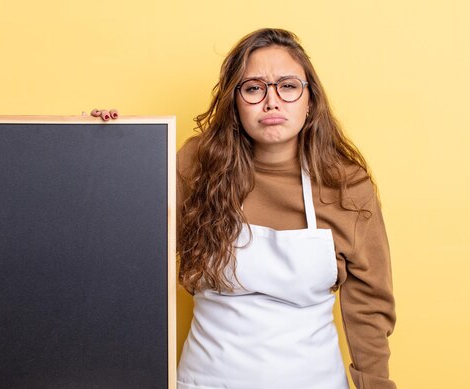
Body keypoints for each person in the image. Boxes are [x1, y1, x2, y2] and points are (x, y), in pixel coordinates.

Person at [96, 27, 396, 389]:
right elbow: (124, 246)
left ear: (311, 100)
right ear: (234, 101)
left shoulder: (347, 187)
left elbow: (369, 308)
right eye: (254, 88)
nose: (272, 101)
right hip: (205, 382)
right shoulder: (194, 166)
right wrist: (102, 143)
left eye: (288, 86)